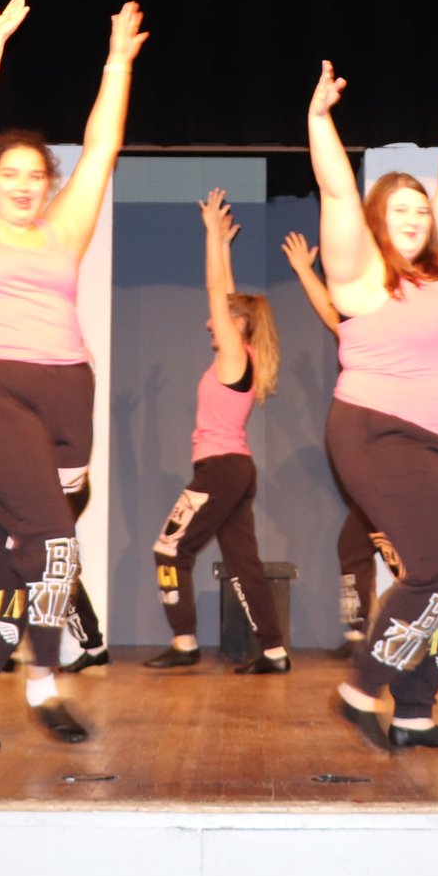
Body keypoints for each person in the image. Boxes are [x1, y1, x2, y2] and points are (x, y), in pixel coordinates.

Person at [0, 0, 143, 749]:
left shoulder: (63, 231)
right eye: (10, 173)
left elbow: (103, 147)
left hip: (68, 395)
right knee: (53, 542)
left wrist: (116, 63)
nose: (24, 184)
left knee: (13, 550)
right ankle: (44, 680)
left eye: (36, 174)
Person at [313, 48, 438, 751]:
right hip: (384, 434)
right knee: (437, 567)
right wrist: (320, 121)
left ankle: (415, 713)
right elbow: (337, 193)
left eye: (421, 209)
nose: (417, 216)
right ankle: (360, 688)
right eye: (400, 209)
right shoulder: (359, 277)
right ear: (376, 221)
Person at [145, 190, 291, 673]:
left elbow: (215, 292)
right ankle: (274, 651)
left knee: (169, 549)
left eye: (223, 318)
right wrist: (225, 245)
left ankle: (184, 642)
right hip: (235, 470)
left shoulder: (234, 355)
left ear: (239, 324)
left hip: (220, 470)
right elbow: (224, 293)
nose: (211, 322)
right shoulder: (244, 355)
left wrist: (210, 233)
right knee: (243, 563)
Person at [284, 232, 384, 660]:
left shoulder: (389, 337)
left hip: (388, 451)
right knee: (355, 543)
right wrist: (305, 270)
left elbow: (333, 313)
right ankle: (359, 634)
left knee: (389, 544)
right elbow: (332, 312)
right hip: (367, 449)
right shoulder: (359, 334)